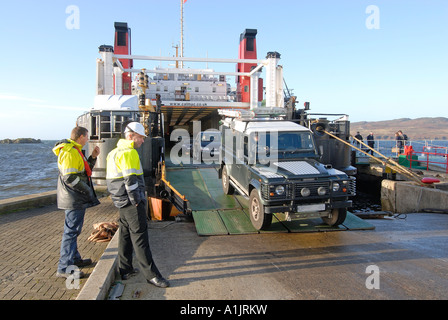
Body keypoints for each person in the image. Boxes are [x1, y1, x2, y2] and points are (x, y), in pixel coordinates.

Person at [106, 122, 169, 288]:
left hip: (120, 200)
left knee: (125, 233)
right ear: (130, 136)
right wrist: (137, 202)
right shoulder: (129, 153)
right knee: (140, 236)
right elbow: (131, 182)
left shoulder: (113, 152)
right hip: (131, 202)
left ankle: (125, 268)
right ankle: (151, 275)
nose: (142, 141)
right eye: (140, 137)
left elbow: (112, 180)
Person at [53, 126, 100, 279]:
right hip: (73, 198)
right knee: (71, 231)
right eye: (86, 136)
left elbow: (84, 172)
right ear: (80, 136)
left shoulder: (75, 150)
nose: (88, 139)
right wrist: (87, 191)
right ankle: (64, 267)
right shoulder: (70, 152)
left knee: (74, 230)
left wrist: (93, 157)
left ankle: (74, 259)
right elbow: (70, 178)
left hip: (75, 197)